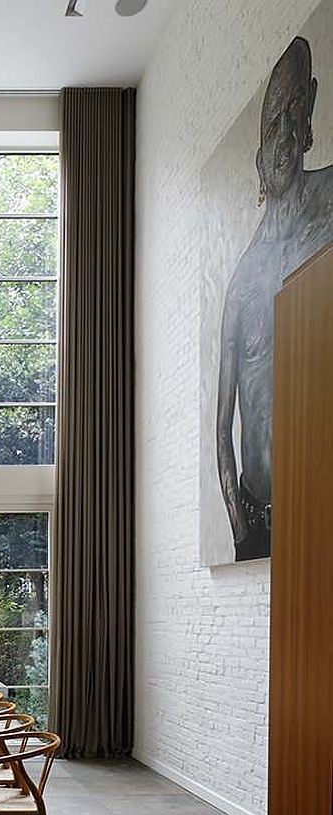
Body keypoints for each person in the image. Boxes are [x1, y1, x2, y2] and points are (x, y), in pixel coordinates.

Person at [216, 36, 333, 561]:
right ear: (258, 152)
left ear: (308, 118)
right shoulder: (242, 279)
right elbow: (223, 425)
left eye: (292, 114)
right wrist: (241, 531)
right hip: (260, 518)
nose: (282, 136)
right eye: (270, 125)